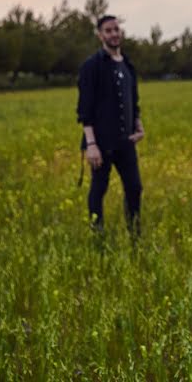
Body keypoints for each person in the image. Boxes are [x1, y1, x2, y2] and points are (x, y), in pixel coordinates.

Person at [76, 15, 145, 233]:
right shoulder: (91, 66)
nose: (114, 33)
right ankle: (97, 233)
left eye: (116, 29)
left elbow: (133, 101)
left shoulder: (127, 65)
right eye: (108, 30)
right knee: (99, 189)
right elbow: (84, 108)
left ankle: (134, 233)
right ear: (100, 35)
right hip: (100, 143)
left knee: (134, 188)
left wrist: (138, 124)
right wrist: (91, 145)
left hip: (126, 142)